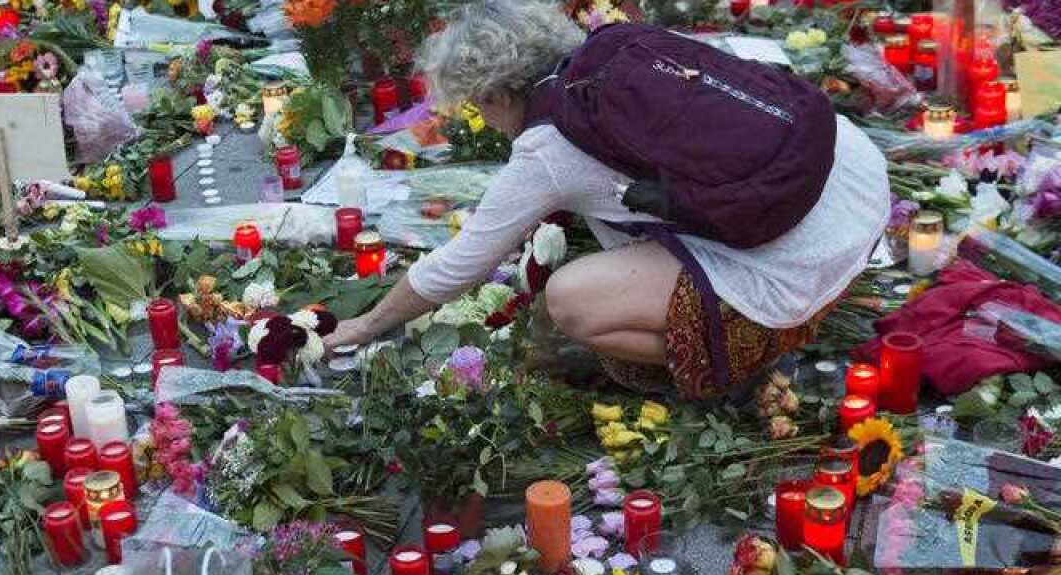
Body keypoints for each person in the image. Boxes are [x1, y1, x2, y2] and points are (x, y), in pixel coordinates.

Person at [321, 0, 891, 399]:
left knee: (571, 300)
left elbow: (459, 266)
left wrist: (367, 324)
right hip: (853, 182)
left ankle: (741, 359)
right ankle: (778, 305)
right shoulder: (619, 46)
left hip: (796, 251)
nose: (486, 121)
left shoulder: (547, 146)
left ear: (496, 93)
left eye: (479, 106)